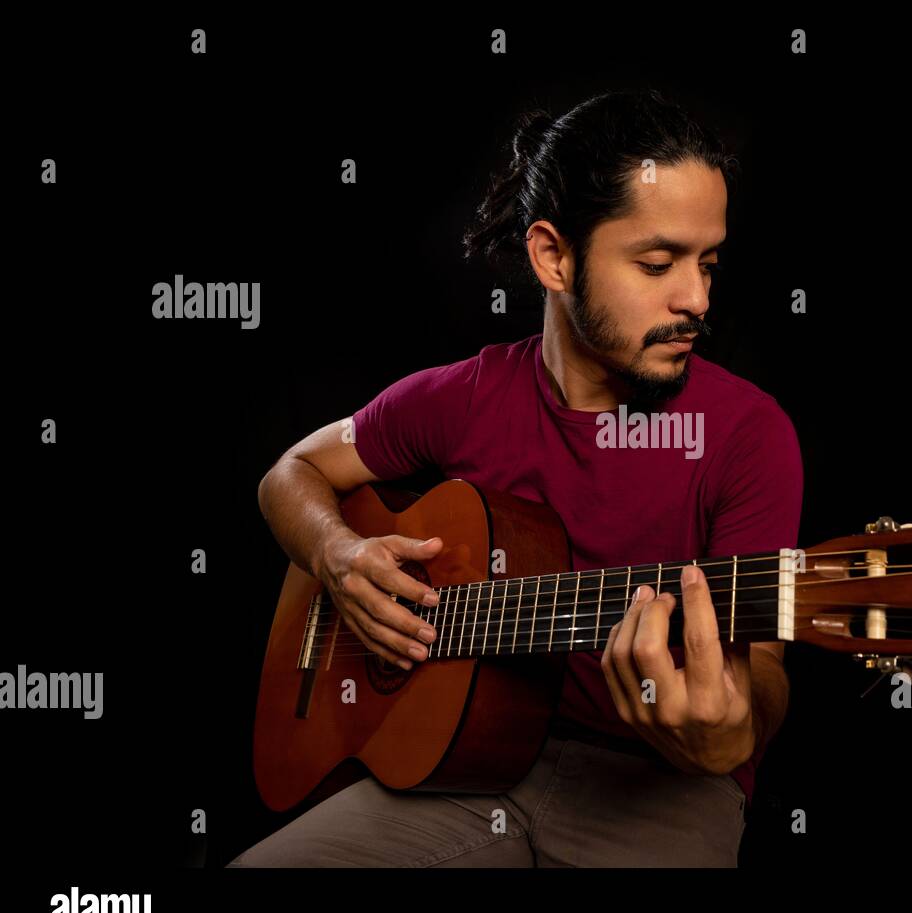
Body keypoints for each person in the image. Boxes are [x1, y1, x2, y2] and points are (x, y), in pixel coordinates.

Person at [228, 89, 802, 867]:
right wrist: (337, 554)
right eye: (659, 262)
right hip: (462, 772)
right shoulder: (465, 398)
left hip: (660, 792)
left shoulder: (748, 431)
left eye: (708, 263)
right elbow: (288, 474)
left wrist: (734, 730)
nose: (696, 299)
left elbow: (761, 669)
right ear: (553, 256)